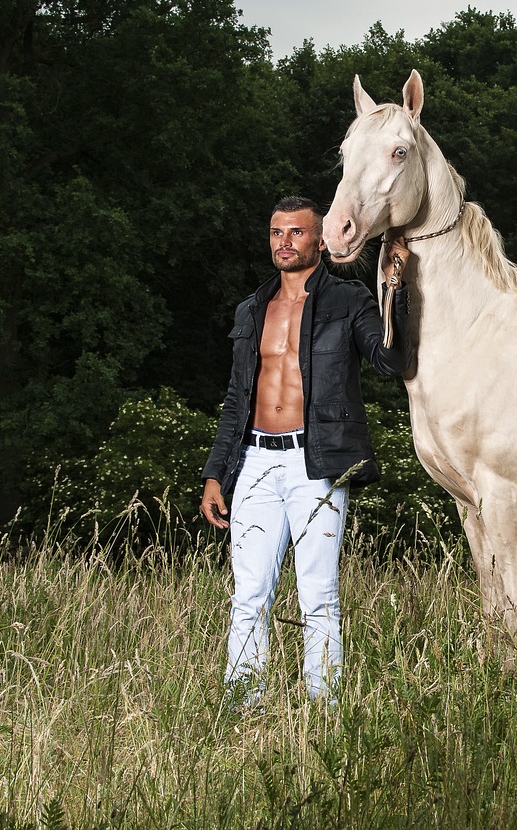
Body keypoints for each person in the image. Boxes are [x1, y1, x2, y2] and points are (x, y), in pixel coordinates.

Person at [201, 195, 412, 705]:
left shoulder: (347, 299)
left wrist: (397, 289)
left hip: (315, 463)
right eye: (277, 233)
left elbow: (391, 361)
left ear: (320, 240)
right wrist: (215, 474)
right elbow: (237, 397)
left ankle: (324, 710)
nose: (285, 242)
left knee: (319, 596)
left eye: (296, 233)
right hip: (253, 461)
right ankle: (243, 706)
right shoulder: (253, 309)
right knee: (249, 596)